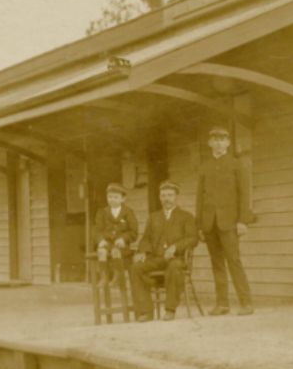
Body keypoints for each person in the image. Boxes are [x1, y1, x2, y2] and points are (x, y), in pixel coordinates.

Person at [196, 125, 255, 316]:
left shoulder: (237, 164)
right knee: (217, 263)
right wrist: (200, 225)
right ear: (209, 143)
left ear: (228, 143)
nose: (218, 142)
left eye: (222, 139)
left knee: (234, 261)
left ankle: (246, 303)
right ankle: (222, 304)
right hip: (209, 223)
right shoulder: (204, 166)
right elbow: (200, 197)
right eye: (215, 139)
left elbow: (245, 194)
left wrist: (242, 221)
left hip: (230, 222)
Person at [130, 181, 198, 322]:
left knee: (174, 267)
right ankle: (145, 312)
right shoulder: (154, 217)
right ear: (160, 197)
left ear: (176, 197)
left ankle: (170, 310)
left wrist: (176, 247)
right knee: (136, 267)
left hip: (176, 259)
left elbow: (193, 238)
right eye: (163, 195)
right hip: (156, 259)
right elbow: (146, 238)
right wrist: (142, 251)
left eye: (170, 195)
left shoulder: (186, 216)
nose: (166, 198)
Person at [92, 183, 138, 287]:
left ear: (123, 199)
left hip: (122, 246)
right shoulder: (102, 212)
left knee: (115, 251)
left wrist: (124, 239)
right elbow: (96, 230)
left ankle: (117, 277)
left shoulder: (128, 212)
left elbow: (133, 231)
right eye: (110, 197)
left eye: (116, 197)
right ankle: (104, 277)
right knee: (101, 252)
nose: (112, 200)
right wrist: (100, 240)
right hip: (107, 243)